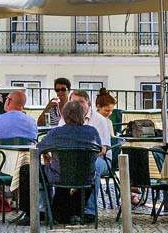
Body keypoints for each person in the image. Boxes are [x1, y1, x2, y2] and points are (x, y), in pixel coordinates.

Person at [38, 99, 102, 223]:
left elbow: (38, 148)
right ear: (82, 115)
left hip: (59, 175)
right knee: (78, 174)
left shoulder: (56, 133)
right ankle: (74, 211)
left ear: (64, 115)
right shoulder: (92, 132)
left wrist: (47, 154)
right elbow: (98, 150)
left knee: (30, 170)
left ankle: (41, 210)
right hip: (86, 177)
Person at [71, 88, 113, 217]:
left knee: (92, 167)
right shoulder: (66, 117)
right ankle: (49, 209)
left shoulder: (99, 120)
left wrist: (83, 159)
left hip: (101, 159)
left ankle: (89, 211)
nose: (76, 105)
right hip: (74, 158)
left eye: (81, 102)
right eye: (73, 102)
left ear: (88, 104)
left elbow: (102, 150)